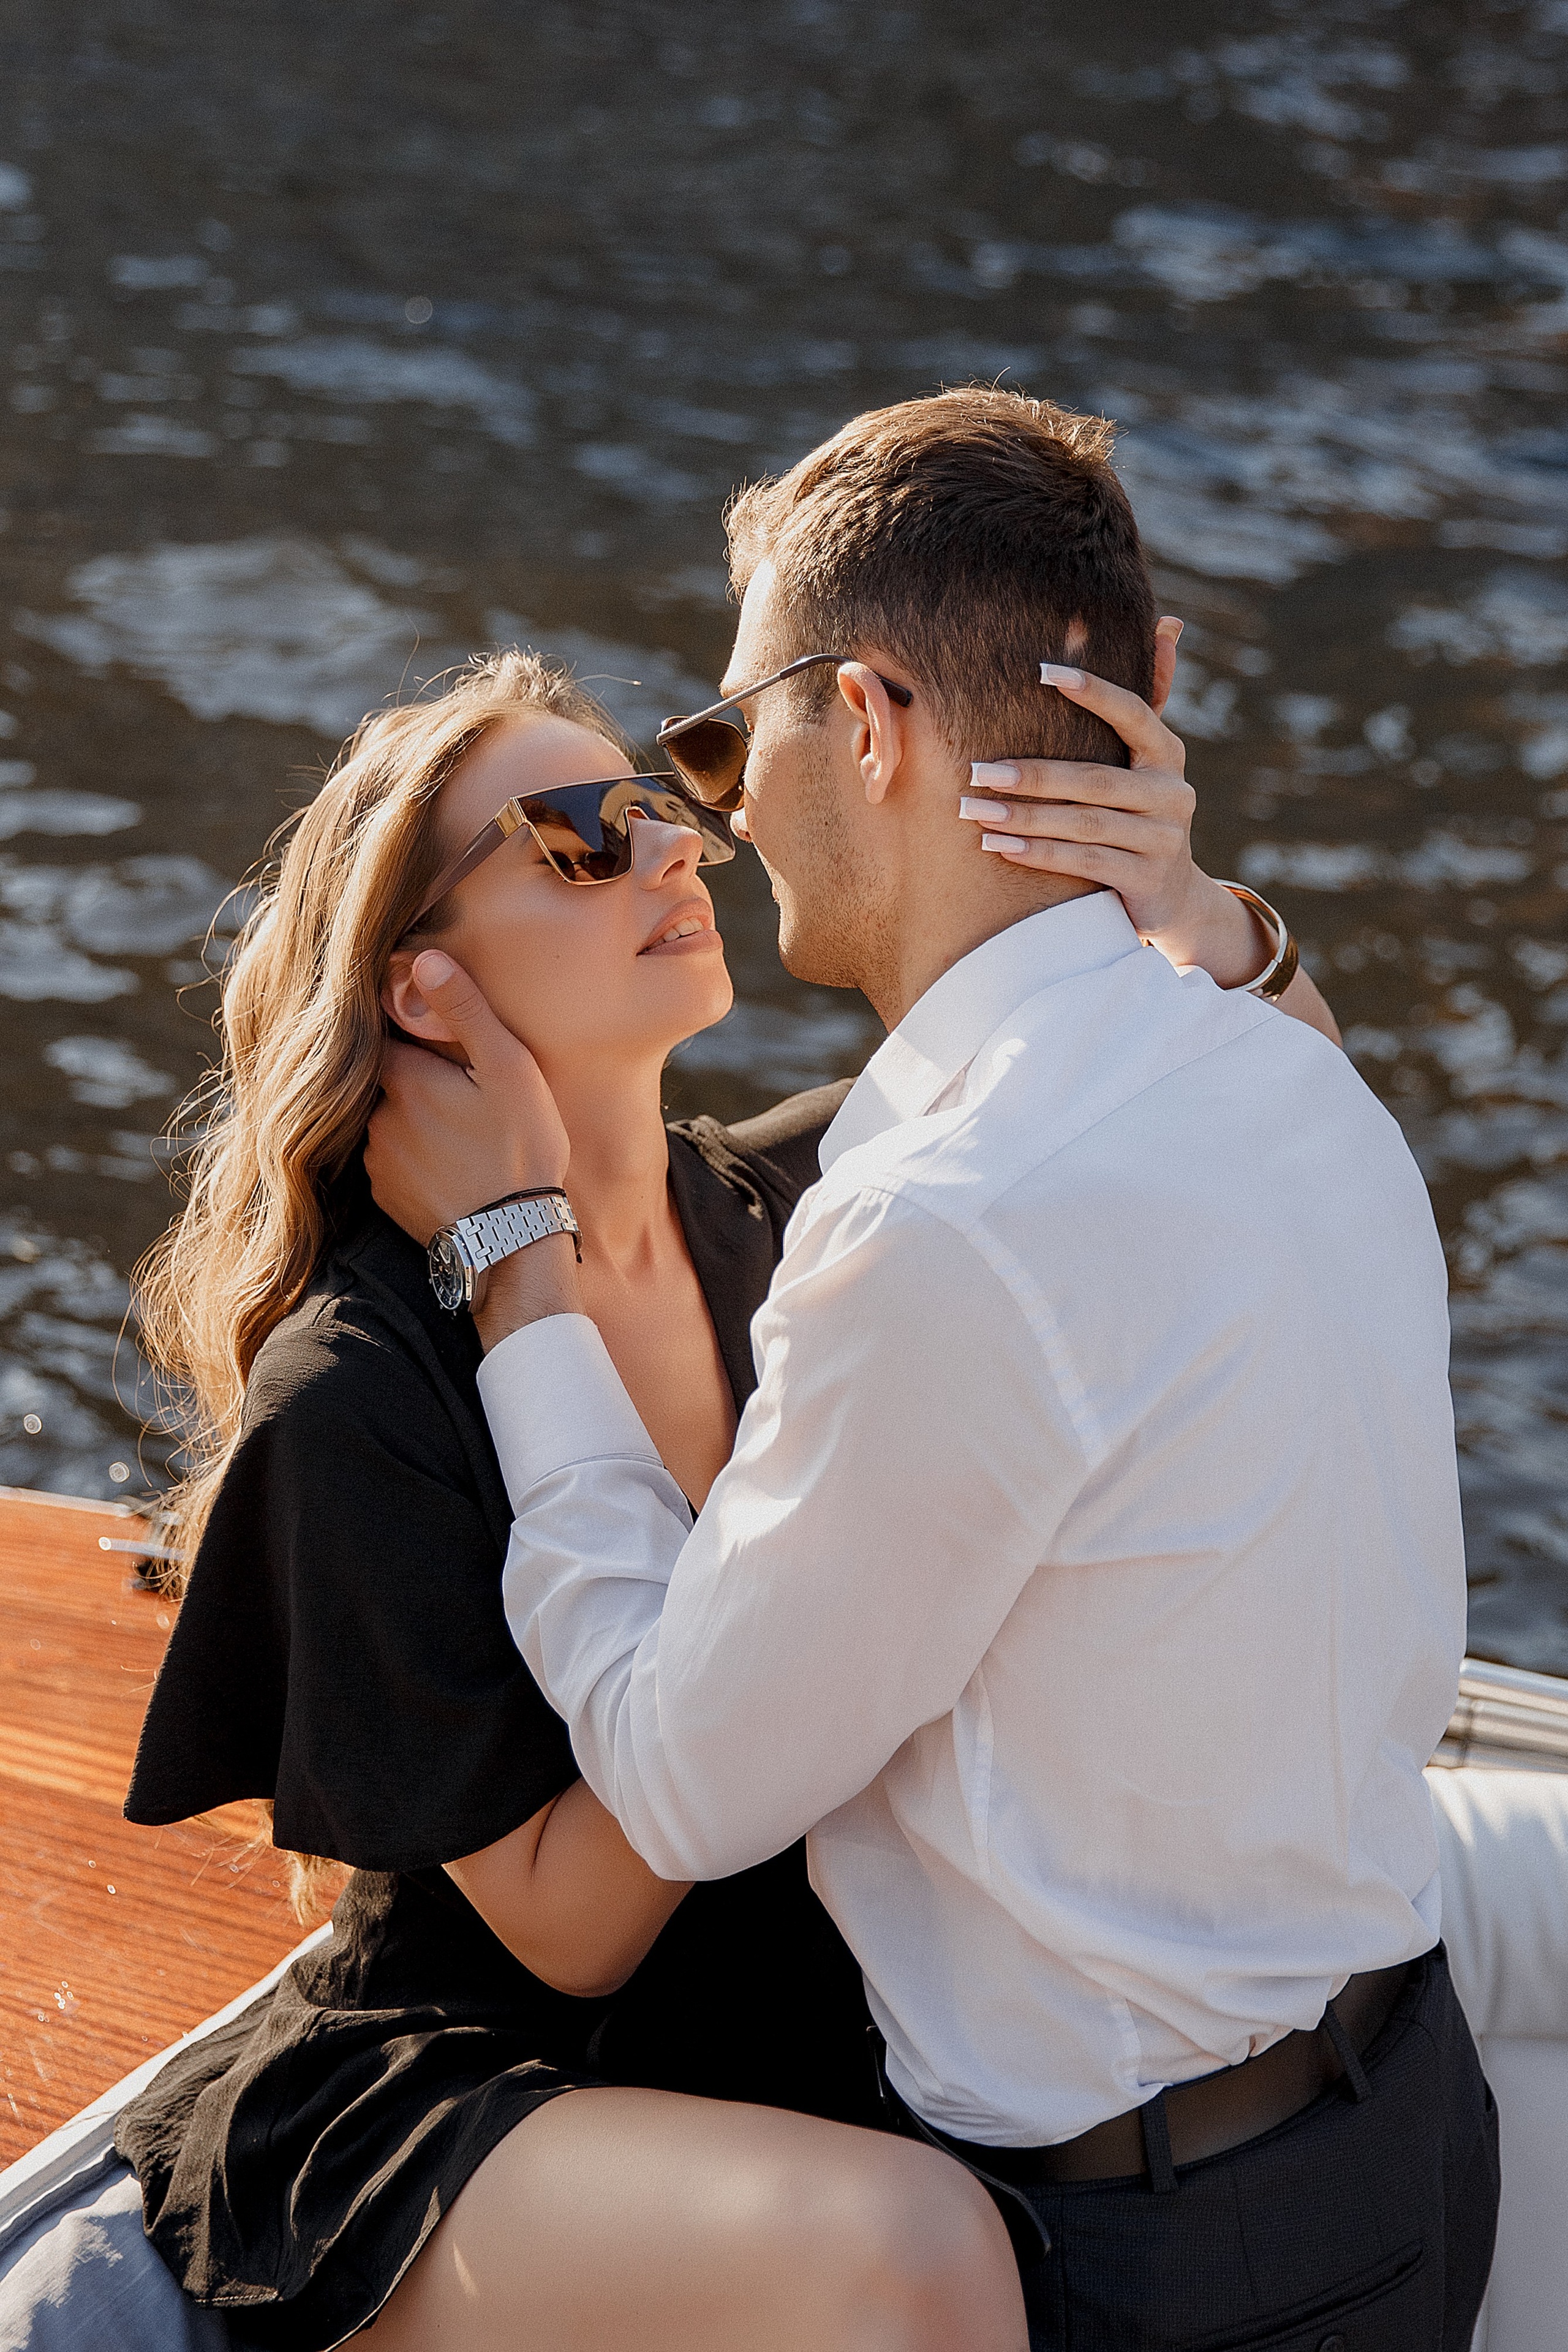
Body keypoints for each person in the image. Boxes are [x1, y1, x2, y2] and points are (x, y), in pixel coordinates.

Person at [368, 387, 1499, 2351]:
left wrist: (516, 1274)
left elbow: (677, 1775)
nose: (711, 811)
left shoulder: (951, 1220)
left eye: (726, 738)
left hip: (1172, 2264)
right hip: (1419, 2131)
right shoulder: (1281, 1069)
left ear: (869, 725)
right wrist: (1205, 913)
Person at [110, 598, 1311, 2351]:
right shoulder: (358, 1392)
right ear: (419, 984)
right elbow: (577, 1936)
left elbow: (1281, 1129)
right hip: (492, 2093)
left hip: (806, 2015)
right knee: (920, 2247)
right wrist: (555, 1302)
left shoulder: (837, 1198)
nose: (672, 847)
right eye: (580, 841)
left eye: (663, 804)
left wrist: (1201, 920)